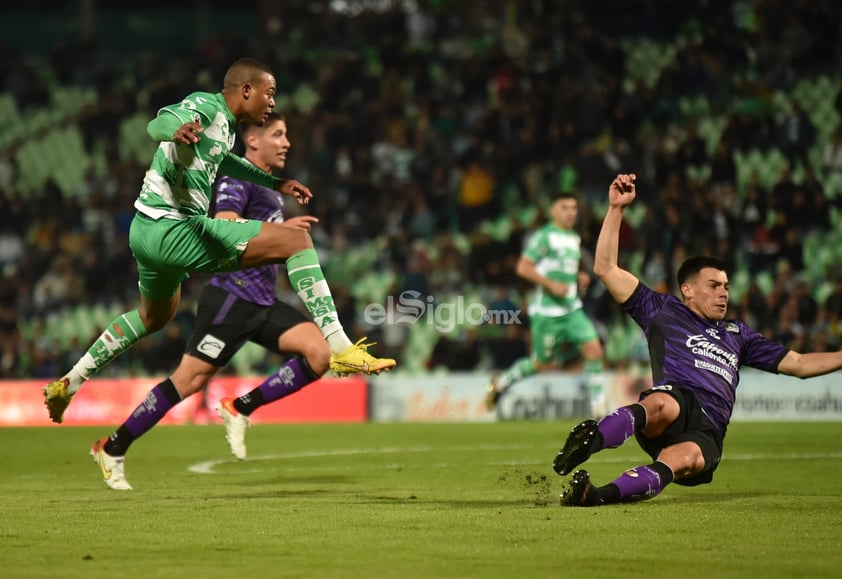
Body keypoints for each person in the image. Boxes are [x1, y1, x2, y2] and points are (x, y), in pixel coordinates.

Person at [43, 58, 395, 424]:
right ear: (246, 90)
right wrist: (173, 131)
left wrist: (275, 183)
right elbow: (157, 123)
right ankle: (339, 347)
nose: (272, 103)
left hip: (144, 231)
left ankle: (69, 382)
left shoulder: (224, 128)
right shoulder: (206, 106)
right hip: (175, 230)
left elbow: (223, 161)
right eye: (268, 94)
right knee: (296, 242)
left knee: (152, 317)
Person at [553, 173, 842, 507]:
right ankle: (589, 442)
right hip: (674, 404)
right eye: (714, 286)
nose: (724, 294)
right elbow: (605, 268)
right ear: (687, 289)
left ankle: (593, 496)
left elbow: (801, 364)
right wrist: (616, 209)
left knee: (684, 460)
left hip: (708, 430)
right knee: (663, 402)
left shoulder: (739, 335)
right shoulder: (662, 310)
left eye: (727, 287)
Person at [89, 113, 336, 489]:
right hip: (230, 297)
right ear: (252, 141)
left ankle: (241, 407)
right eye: (279, 134)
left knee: (320, 353)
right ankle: (113, 446)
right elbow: (224, 221)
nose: (287, 143)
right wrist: (280, 232)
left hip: (263, 300)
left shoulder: (270, 188)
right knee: (187, 382)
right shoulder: (239, 178)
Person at [485, 192, 606, 415]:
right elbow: (523, 267)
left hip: (572, 310)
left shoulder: (573, 238)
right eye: (564, 207)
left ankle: (599, 409)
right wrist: (550, 284)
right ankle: (501, 382)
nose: (570, 213)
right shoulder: (544, 237)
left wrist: (579, 277)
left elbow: (566, 268)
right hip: (547, 314)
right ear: (553, 211)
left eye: (573, 208)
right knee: (540, 363)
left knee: (594, 349)